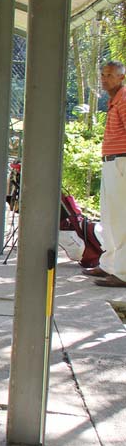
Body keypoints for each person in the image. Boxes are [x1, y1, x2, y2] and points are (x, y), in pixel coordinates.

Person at [83, 61, 126, 287]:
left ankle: (123, 272)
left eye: (110, 75)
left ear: (121, 78)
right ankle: (109, 264)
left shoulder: (124, 98)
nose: (104, 79)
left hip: (121, 162)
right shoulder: (114, 100)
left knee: (120, 219)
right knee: (108, 217)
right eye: (102, 74)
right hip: (112, 162)